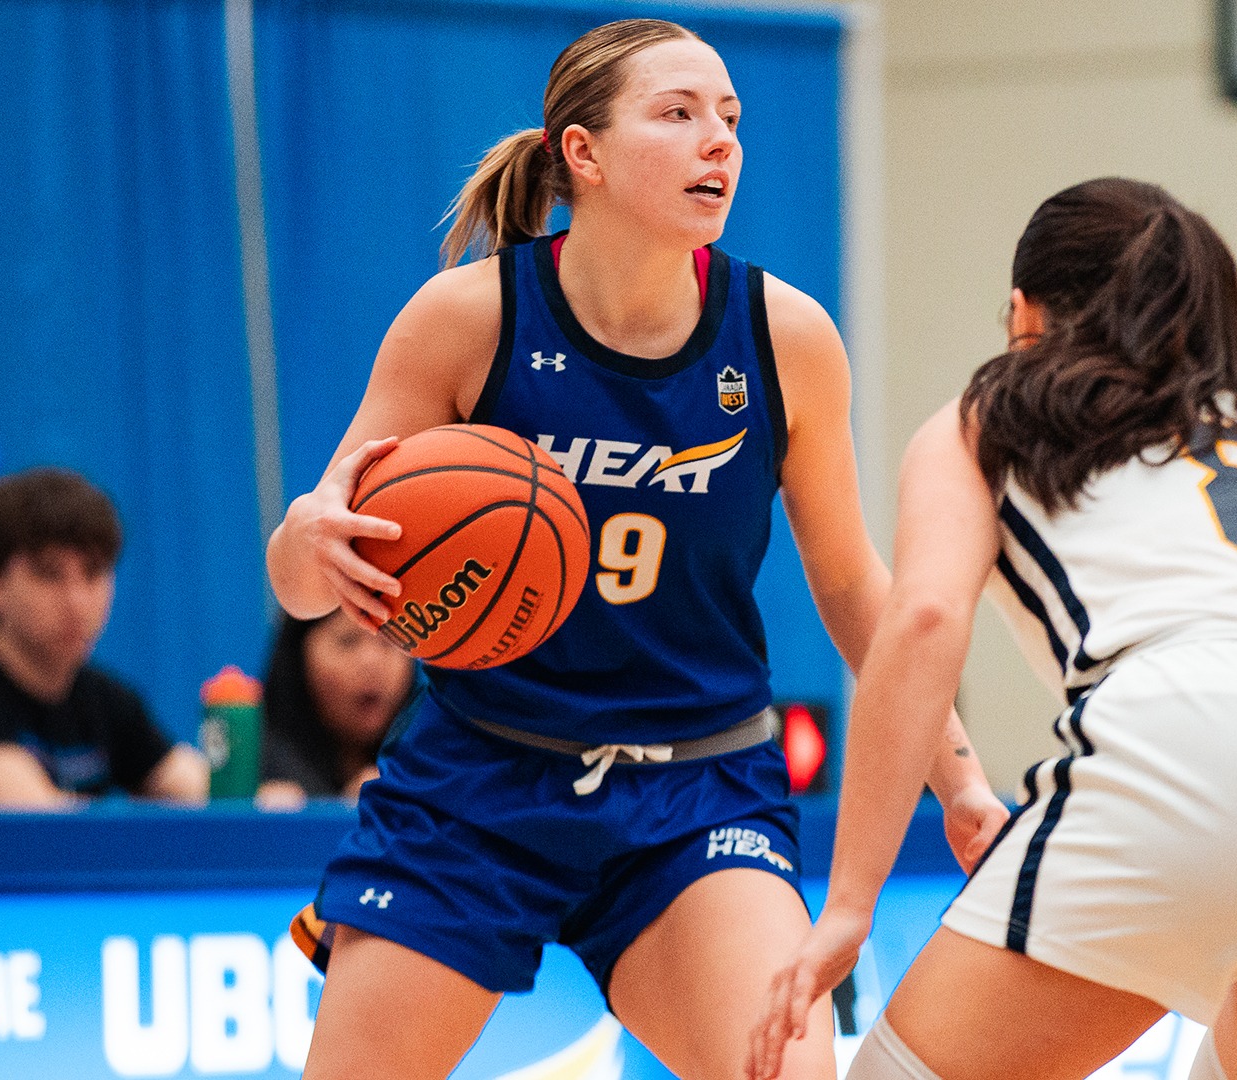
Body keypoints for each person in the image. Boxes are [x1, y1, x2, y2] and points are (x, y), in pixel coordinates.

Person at [265, 19, 1007, 1079]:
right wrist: (304, 539)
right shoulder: (467, 321)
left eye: (732, 120)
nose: (720, 142)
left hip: (696, 790)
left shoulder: (784, 337)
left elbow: (851, 584)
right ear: (584, 153)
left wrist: (961, 783)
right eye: (680, 114)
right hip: (480, 776)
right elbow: (306, 588)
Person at [748, 177, 1237, 1080]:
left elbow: (927, 616)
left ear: (1023, 316)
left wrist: (851, 902)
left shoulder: (994, 413)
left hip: (1209, 740)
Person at [0, 467, 208, 807]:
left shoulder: (107, 700)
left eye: (93, 574)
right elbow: (40, 825)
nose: (76, 601)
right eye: (49, 575)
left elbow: (207, 794)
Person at [255, 609, 417, 809]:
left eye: (390, 641)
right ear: (297, 655)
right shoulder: (247, 774)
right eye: (348, 641)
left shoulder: (436, 770)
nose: (373, 661)